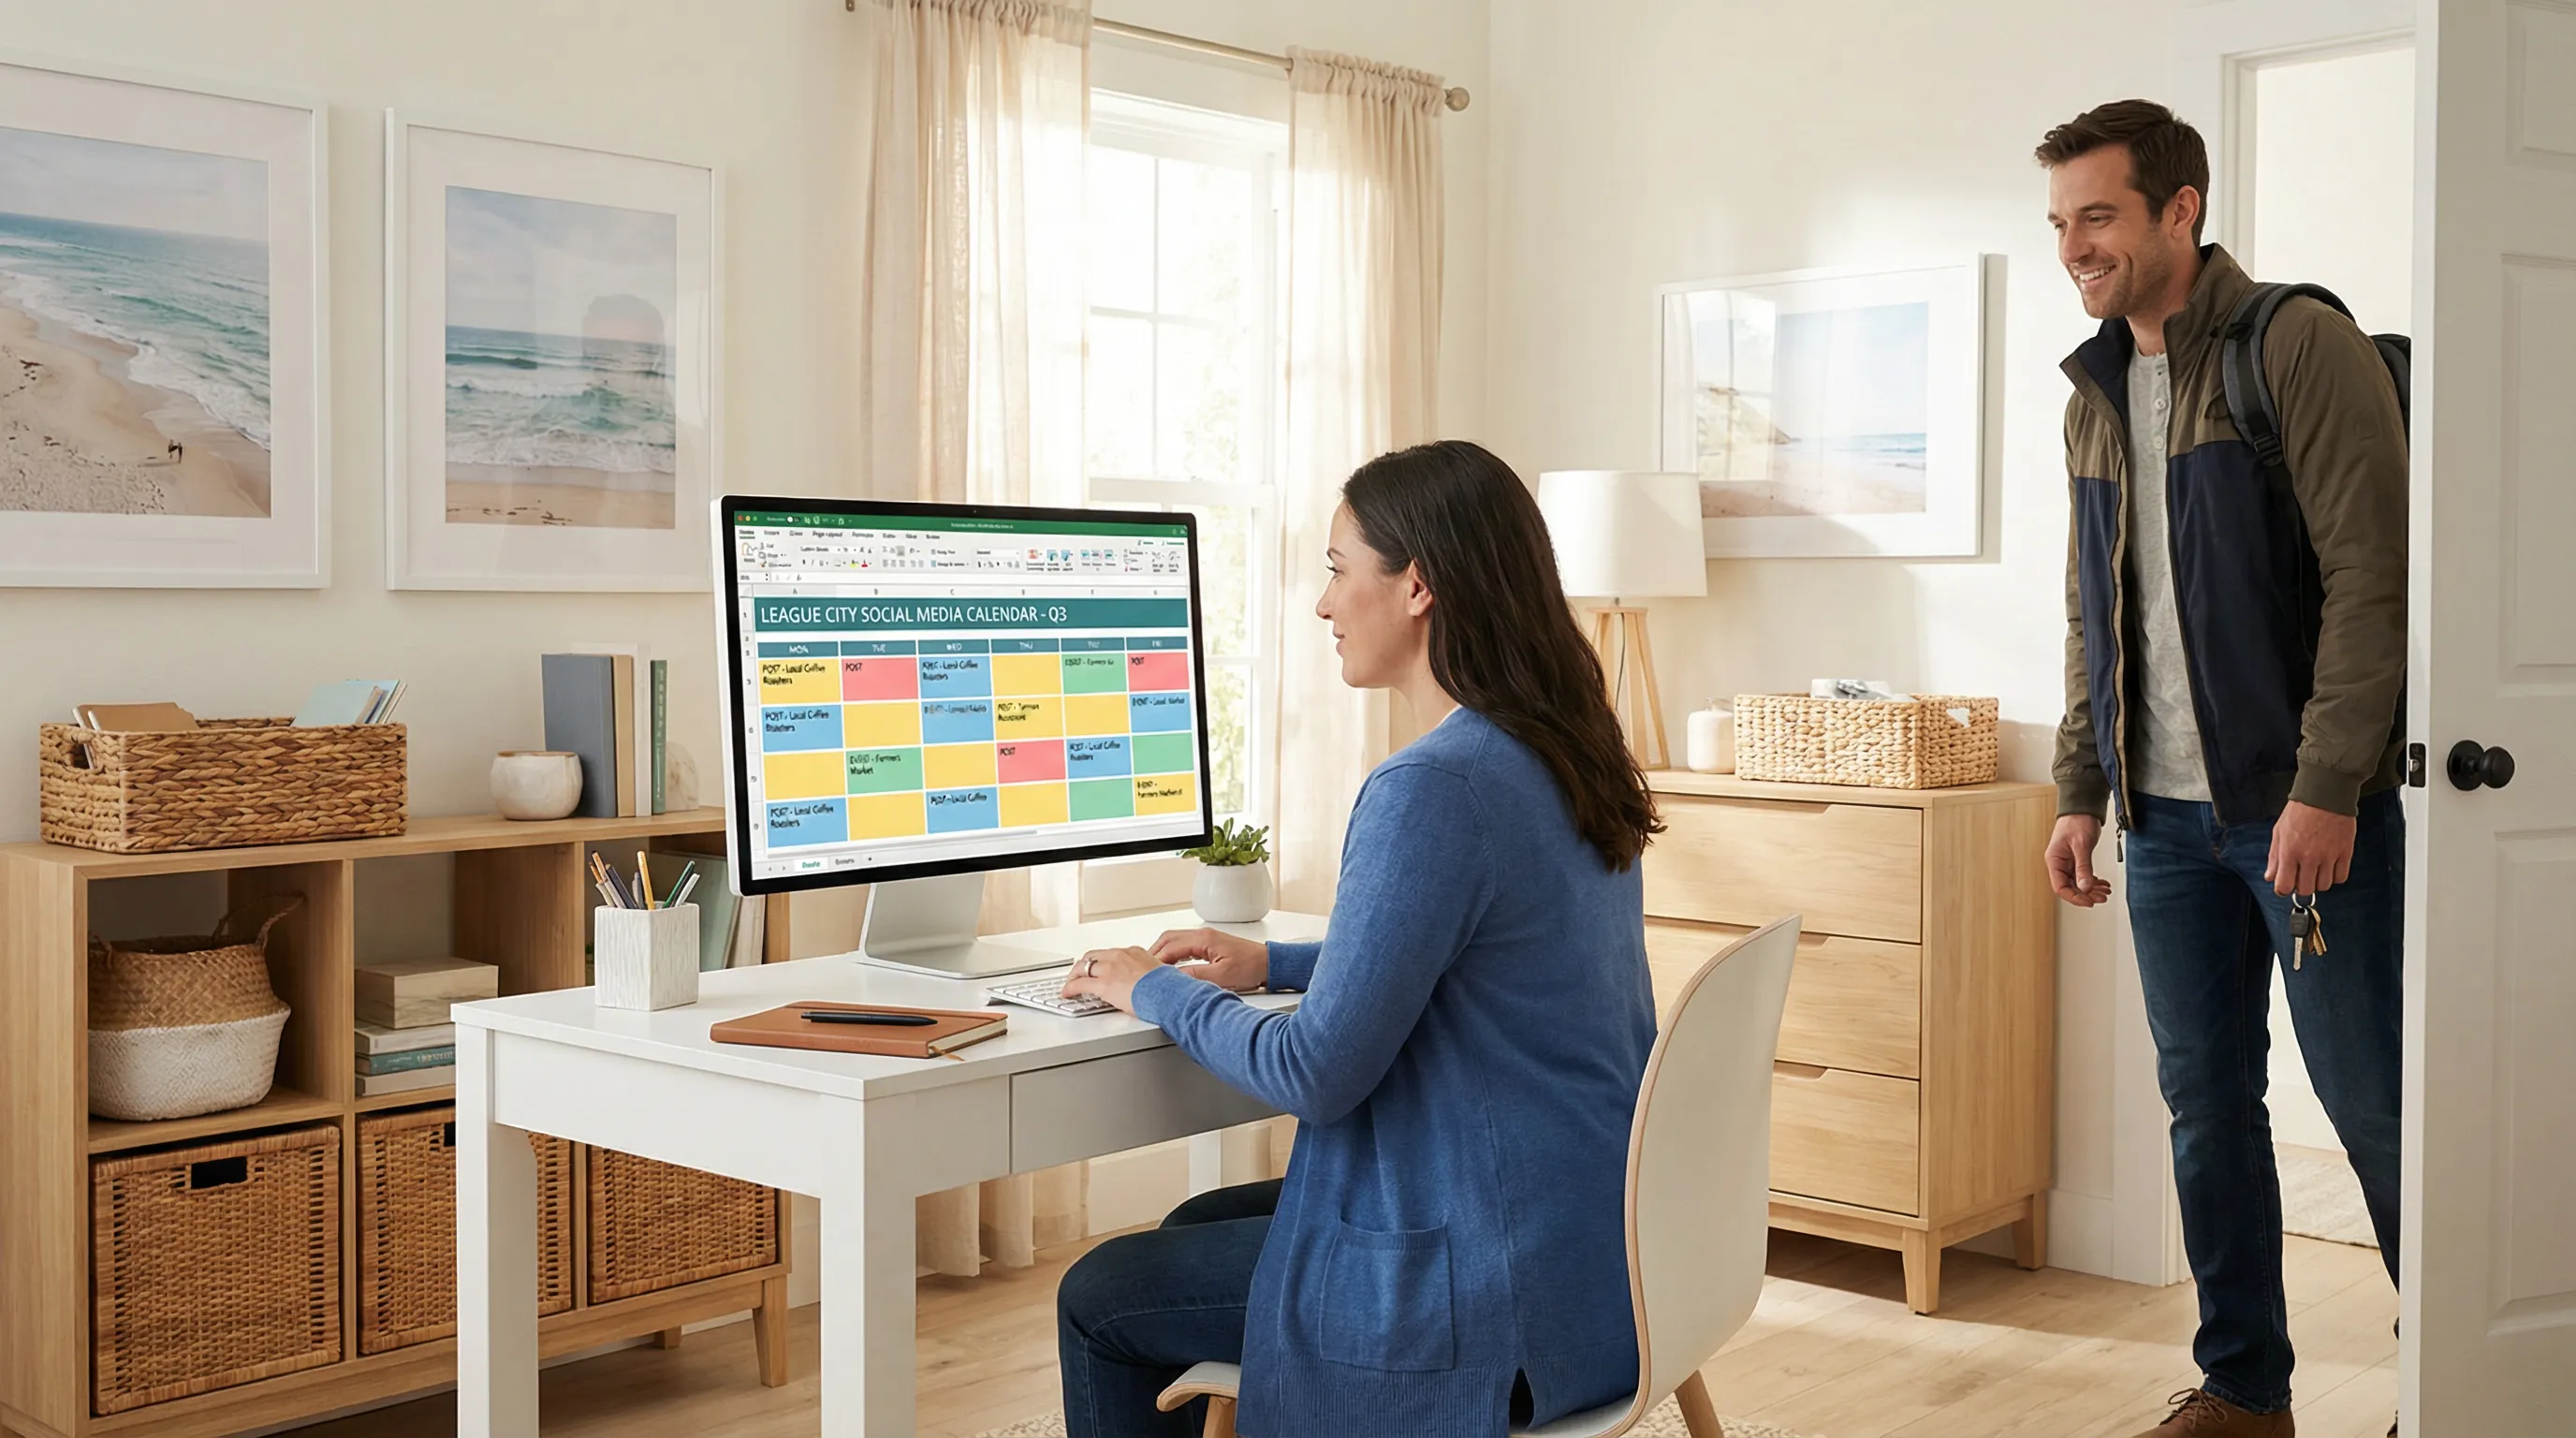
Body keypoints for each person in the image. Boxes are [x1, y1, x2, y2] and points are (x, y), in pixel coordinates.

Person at [1052, 438, 1663, 1438]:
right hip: (1592, 1251)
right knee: (1193, 1228)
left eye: (1338, 569)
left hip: (1484, 1286)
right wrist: (1274, 963)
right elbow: (1487, 965)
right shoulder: (1563, 751)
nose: (1325, 603)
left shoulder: (1433, 785)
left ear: (1416, 584)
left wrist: (1150, 989)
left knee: (1103, 1294)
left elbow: (1315, 1072)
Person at [2036, 100, 2408, 1437]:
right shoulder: (2092, 388)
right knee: (2206, 1106)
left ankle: (2451, 1375)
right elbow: (2098, 608)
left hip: (2305, 817)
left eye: (2101, 215)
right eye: (2064, 221)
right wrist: (2082, 787)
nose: (2077, 245)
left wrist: (2325, 785)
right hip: (2166, 829)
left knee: (2374, 1104)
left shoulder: (2296, 345)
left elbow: (2375, 583)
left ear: (2181, 208)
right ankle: (2246, 1388)